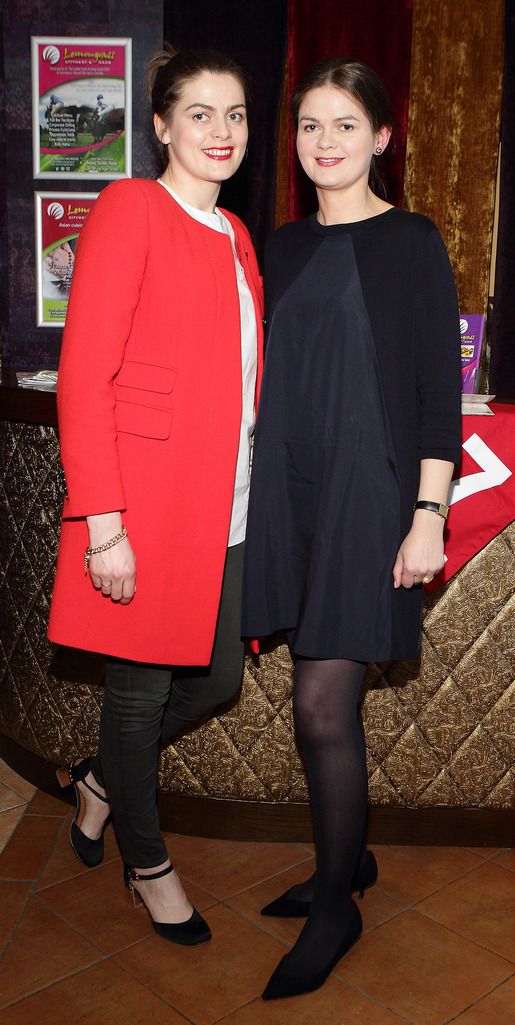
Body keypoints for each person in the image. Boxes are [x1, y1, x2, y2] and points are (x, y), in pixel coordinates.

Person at [241, 57, 461, 999]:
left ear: (380, 138)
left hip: (370, 502)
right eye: (307, 126)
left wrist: (427, 515)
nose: (322, 142)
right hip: (290, 495)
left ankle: (338, 901)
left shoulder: (411, 240)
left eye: (343, 125)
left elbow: (433, 394)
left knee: (322, 706)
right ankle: (349, 860)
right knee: (316, 694)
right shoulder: (276, 246)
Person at [48, 46, 263, 947]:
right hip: (144, 506)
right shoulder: (132, 206)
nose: (221, 132)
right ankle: (149, 863)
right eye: (201, 113)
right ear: (163, 125)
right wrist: (105, 522)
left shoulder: (238, 234)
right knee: (138, 697)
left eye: (238, 114)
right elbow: (83, 371)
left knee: (214, 680)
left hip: (230, 505)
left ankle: (100, 780)